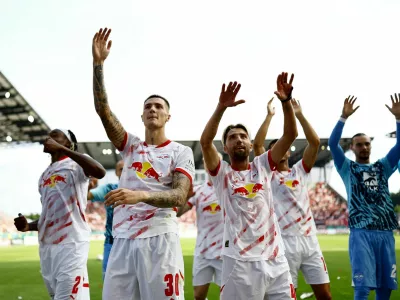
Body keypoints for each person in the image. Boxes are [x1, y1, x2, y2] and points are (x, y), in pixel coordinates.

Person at [92, 28, 195, 300]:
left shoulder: (180, 151)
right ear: (141, 115)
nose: (153, 109)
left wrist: (138, 195)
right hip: (123, 240)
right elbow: (103, 111)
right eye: (148, 106)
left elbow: (179, 195)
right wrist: (98, 65)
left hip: (160, 239)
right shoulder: (131, 146)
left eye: (159, 106)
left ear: (168, 116)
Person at [200, 73, 298, 299]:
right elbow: (205, 142)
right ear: (225, 148)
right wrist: (221, 107)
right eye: (233, 137)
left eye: (243, 136)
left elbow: (291, 134)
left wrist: (286, 103)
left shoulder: (262, 165)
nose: (239, 140)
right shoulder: (222, 174)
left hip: (275, 259)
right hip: (239, 262)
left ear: (252, 145)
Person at [14, 129, 106, 300]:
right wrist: (29, 226)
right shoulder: (44, 176)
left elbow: (100, 171)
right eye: (49, 135)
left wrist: (64, 150)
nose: (49, 138)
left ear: (68, 143)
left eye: (56, 135)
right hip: (47, 247)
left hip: (71, 243)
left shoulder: (76, 164)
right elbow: (49, 216)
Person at [253, 98, 331, 299]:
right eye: (274, 148)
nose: (279, 150)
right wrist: (270, 116)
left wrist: (299, 114)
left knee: (325, 295)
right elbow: (257, 144)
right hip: (284, 242)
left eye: (282, 146)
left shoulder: (299, 171)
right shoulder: (267, 175)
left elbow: (314, 142)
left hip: (310, 240)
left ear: (288, 149)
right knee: (288, 295)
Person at [328, 95, 400, 300]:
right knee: (362, 288)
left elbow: (399, 147)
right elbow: (333, 145)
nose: (364, 147)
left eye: (366, 143)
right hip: (361, 233)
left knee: (385, 289)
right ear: (352, 148)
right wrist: (343, 117)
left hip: (386, 233)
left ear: (371, 145)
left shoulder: (383, 166)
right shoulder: (347, 168)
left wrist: (399, 119)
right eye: (359, 144)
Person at [177, 155, 224, 300]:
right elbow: (178, 213)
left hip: (225, 253)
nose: (209, 162)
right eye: (205, 161)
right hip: (203, 251)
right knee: (198, 296)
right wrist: (185, 197)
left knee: (230, 294)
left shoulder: (228, 189)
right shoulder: (198, 190)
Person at [87, 160, 124, 280]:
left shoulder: (141, 189)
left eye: (127, 168)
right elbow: (87, 196)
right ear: (116, 172)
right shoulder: (110, 188)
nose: (124, 172)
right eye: (121, 169)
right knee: (109, 282)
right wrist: (88, 186)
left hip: (135, 242)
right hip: (112, 243)